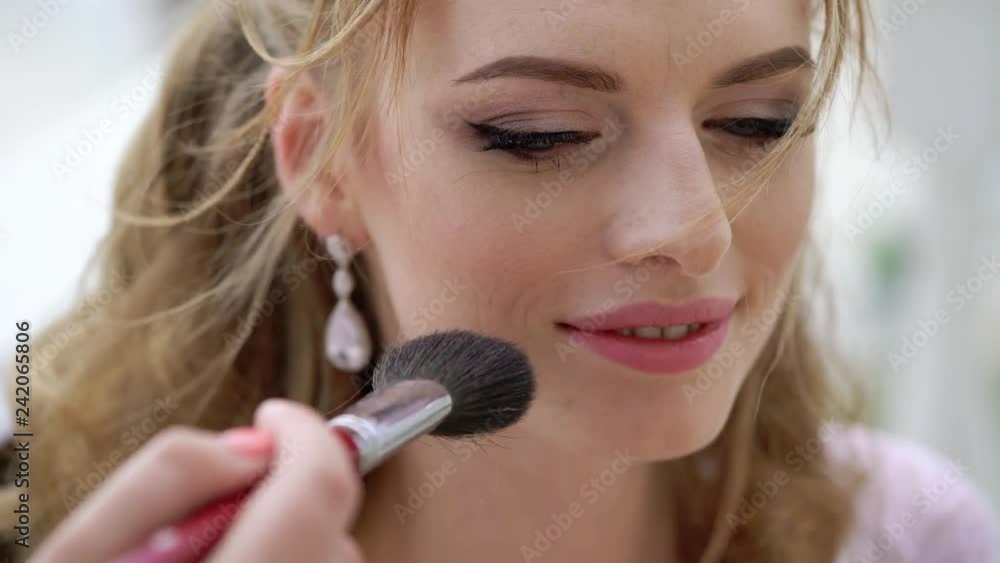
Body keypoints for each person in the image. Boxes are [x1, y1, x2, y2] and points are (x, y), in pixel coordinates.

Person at [3, 1, 997, 562]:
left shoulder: (911, 535)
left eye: (758, 122)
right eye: (540, 135)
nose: (694, 230)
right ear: (321, 160)